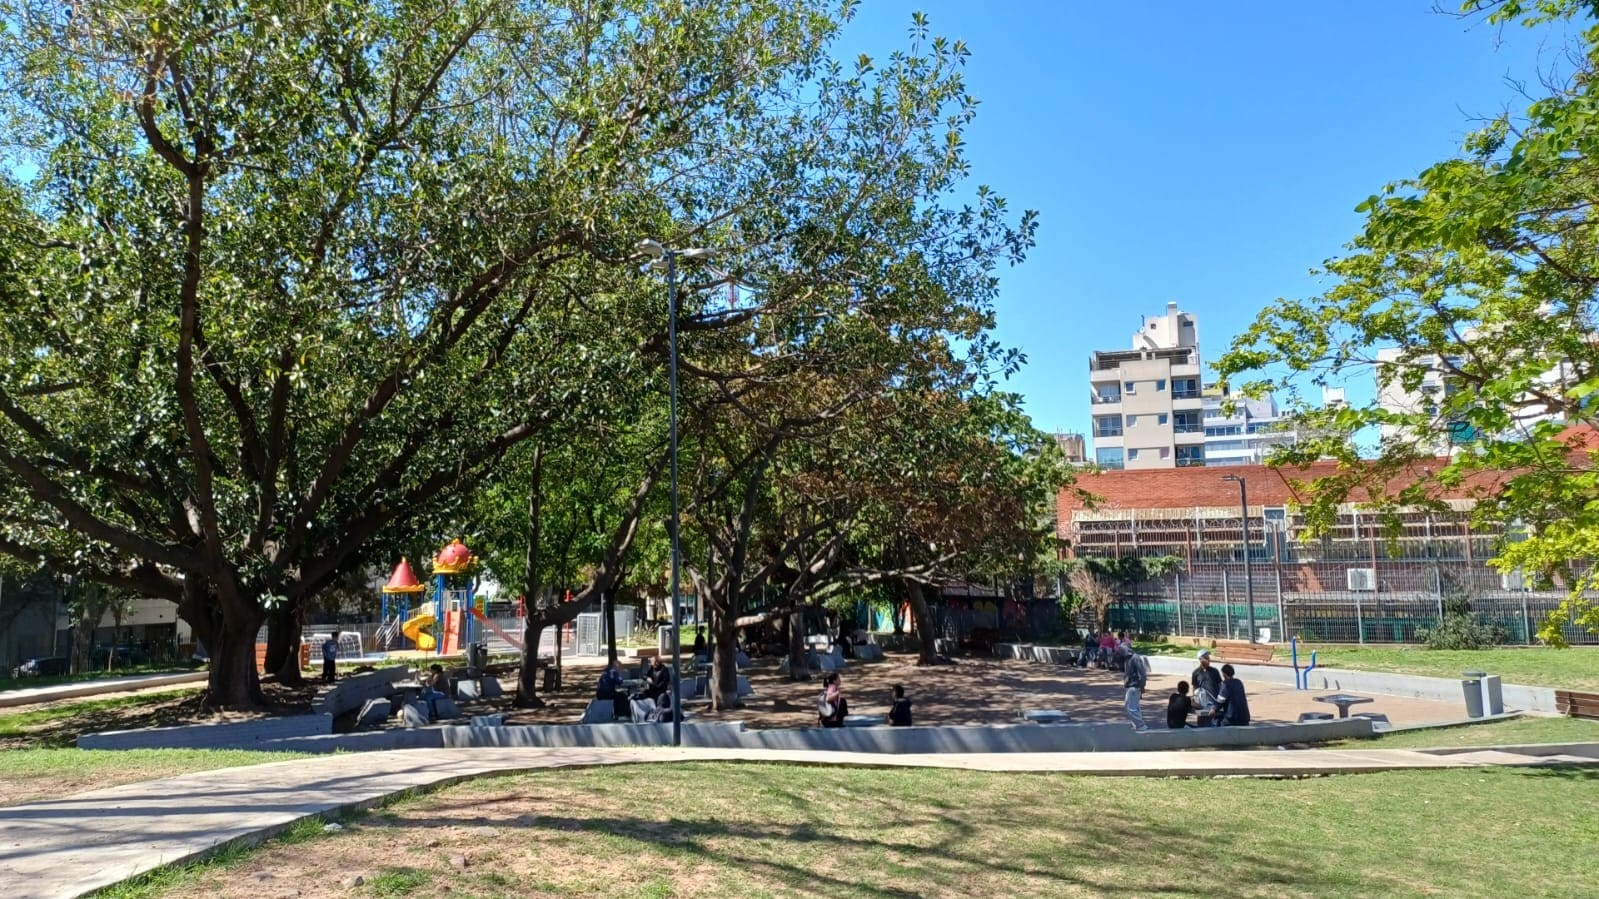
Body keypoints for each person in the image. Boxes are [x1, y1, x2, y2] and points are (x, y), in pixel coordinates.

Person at [1123, 648, 1148, 731]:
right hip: (1131, 686)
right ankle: (1137, 725)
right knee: (1135, 706)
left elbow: (1143, 674)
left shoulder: (1135, 658)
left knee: (1130, 707)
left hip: (1134, 686)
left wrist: (1142, 686)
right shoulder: (1128, 658)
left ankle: (1140, 725)